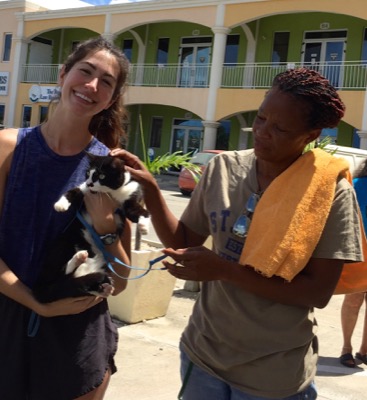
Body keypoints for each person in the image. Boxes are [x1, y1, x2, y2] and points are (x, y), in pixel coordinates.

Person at [113, 68, 364, 400]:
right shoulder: (223, 169)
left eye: (280, 128)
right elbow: (184, 242)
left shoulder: (329, 192)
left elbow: (317, 292)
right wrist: (152, 189)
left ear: (311, 135)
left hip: (274, 374)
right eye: (260, 118)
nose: (261, 132)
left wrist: (222, 270)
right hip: (203, 355)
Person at [0, 36, 132, 399]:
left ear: (112, 96)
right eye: (85, 72)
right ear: (62, 75)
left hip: (77, 347)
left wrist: (106, 228)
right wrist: (36, 302)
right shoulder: (8, 148)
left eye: (106, 82)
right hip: (7, 327)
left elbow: (120, 281)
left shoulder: (110, 169)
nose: (92, 86)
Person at [339, 160, 367, 368]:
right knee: (353, 300)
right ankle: (346, 348)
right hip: (360, 251)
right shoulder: (355, 183)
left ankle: (364, 350)